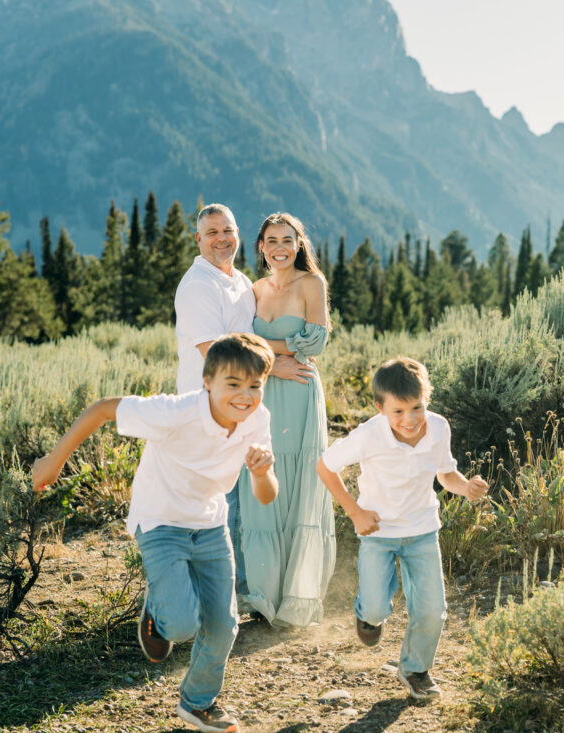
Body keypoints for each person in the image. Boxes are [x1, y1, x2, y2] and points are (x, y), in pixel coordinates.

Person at [32, 333, 278, 733]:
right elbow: (102, 409)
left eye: (255, 385)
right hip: (161, 522)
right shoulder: (175, 412)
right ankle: (161, 612)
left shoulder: (258, 419)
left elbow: (267, 497)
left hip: (211, 526)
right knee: (182, 625)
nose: (245, 395)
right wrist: (53, 462)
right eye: (233, 384)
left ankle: (197, 703)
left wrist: (262, 472)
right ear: (207, 381)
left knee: (224, 626)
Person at [317, 357, 488, 700]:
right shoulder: (368, 435)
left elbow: (445, 474)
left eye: (417, 408)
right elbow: (325, 466)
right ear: (379, 408)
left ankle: (415, 670)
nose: (409, 420)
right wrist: (355, 511)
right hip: (378, 533)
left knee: (431, 610)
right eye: (398, 412)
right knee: (377, 607)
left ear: (427, 400)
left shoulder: (438, 427)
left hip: (423, 530)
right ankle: (369, 613)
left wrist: (465, 487)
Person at [174, 203, 312, 595]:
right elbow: (212, 351)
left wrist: (294, 344)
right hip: (208, 409)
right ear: (198, 239)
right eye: (212, 232)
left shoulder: (238, 281)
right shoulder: (198, 285)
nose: (221, 239)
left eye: (228, 231)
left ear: (237, 235)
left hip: (240, 408)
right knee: (218, 502)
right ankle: (214, 593)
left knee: (237, 500)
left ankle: (239, 586)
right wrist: (274, 366)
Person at [237, 212, 336, 626]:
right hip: (262, 391)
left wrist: (263, 345)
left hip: (298, 389)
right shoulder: (255, 289)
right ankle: (263, 596)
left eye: (288, 240)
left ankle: (296, 596)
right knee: (262, 477)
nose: (280, 247)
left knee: (298, 481)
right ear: (260, 246)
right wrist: (275, 354)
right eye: (271, 240)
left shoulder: (311, 283)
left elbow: (315, 341)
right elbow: (237, 340)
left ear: (299, 244)